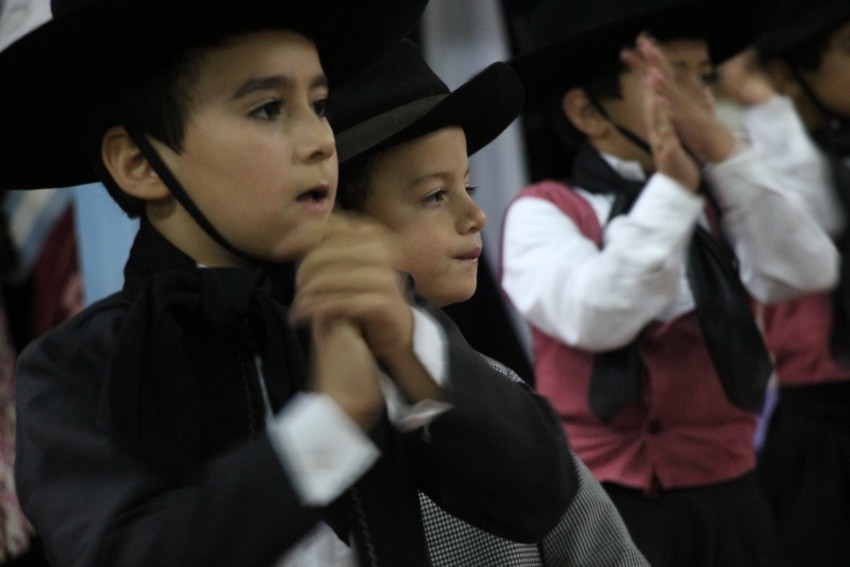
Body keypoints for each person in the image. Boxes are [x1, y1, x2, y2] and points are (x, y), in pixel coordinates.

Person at [0, 1, 578, 565]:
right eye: (268, 109)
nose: (321, 140)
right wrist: (327, 430)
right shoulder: (76, 369)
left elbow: (539, 495)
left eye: (320, 105)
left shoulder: (371, 305)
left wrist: (414, 352)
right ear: (139, 163)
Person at [500, 0, 840, 565]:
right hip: (604, 504)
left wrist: (725, 153)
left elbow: (807, 269)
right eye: (669, 79)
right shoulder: (544, 212)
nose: (695, 101)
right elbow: (598, 314)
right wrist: (674, 191)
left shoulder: (723, 200)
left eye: (701, 78)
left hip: (732, 497)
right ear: (588, 113)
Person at [329, 38, 650, 567]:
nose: (475, 215)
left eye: (469, 187)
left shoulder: (493, 394)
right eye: (435, 195)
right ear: (341, 228)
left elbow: (603, 552)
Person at [716, 3, 850, 565]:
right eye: (847, 49)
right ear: (786, 74)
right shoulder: (752, 158)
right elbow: (817, 231)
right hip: (821, 419)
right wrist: (763, 102)